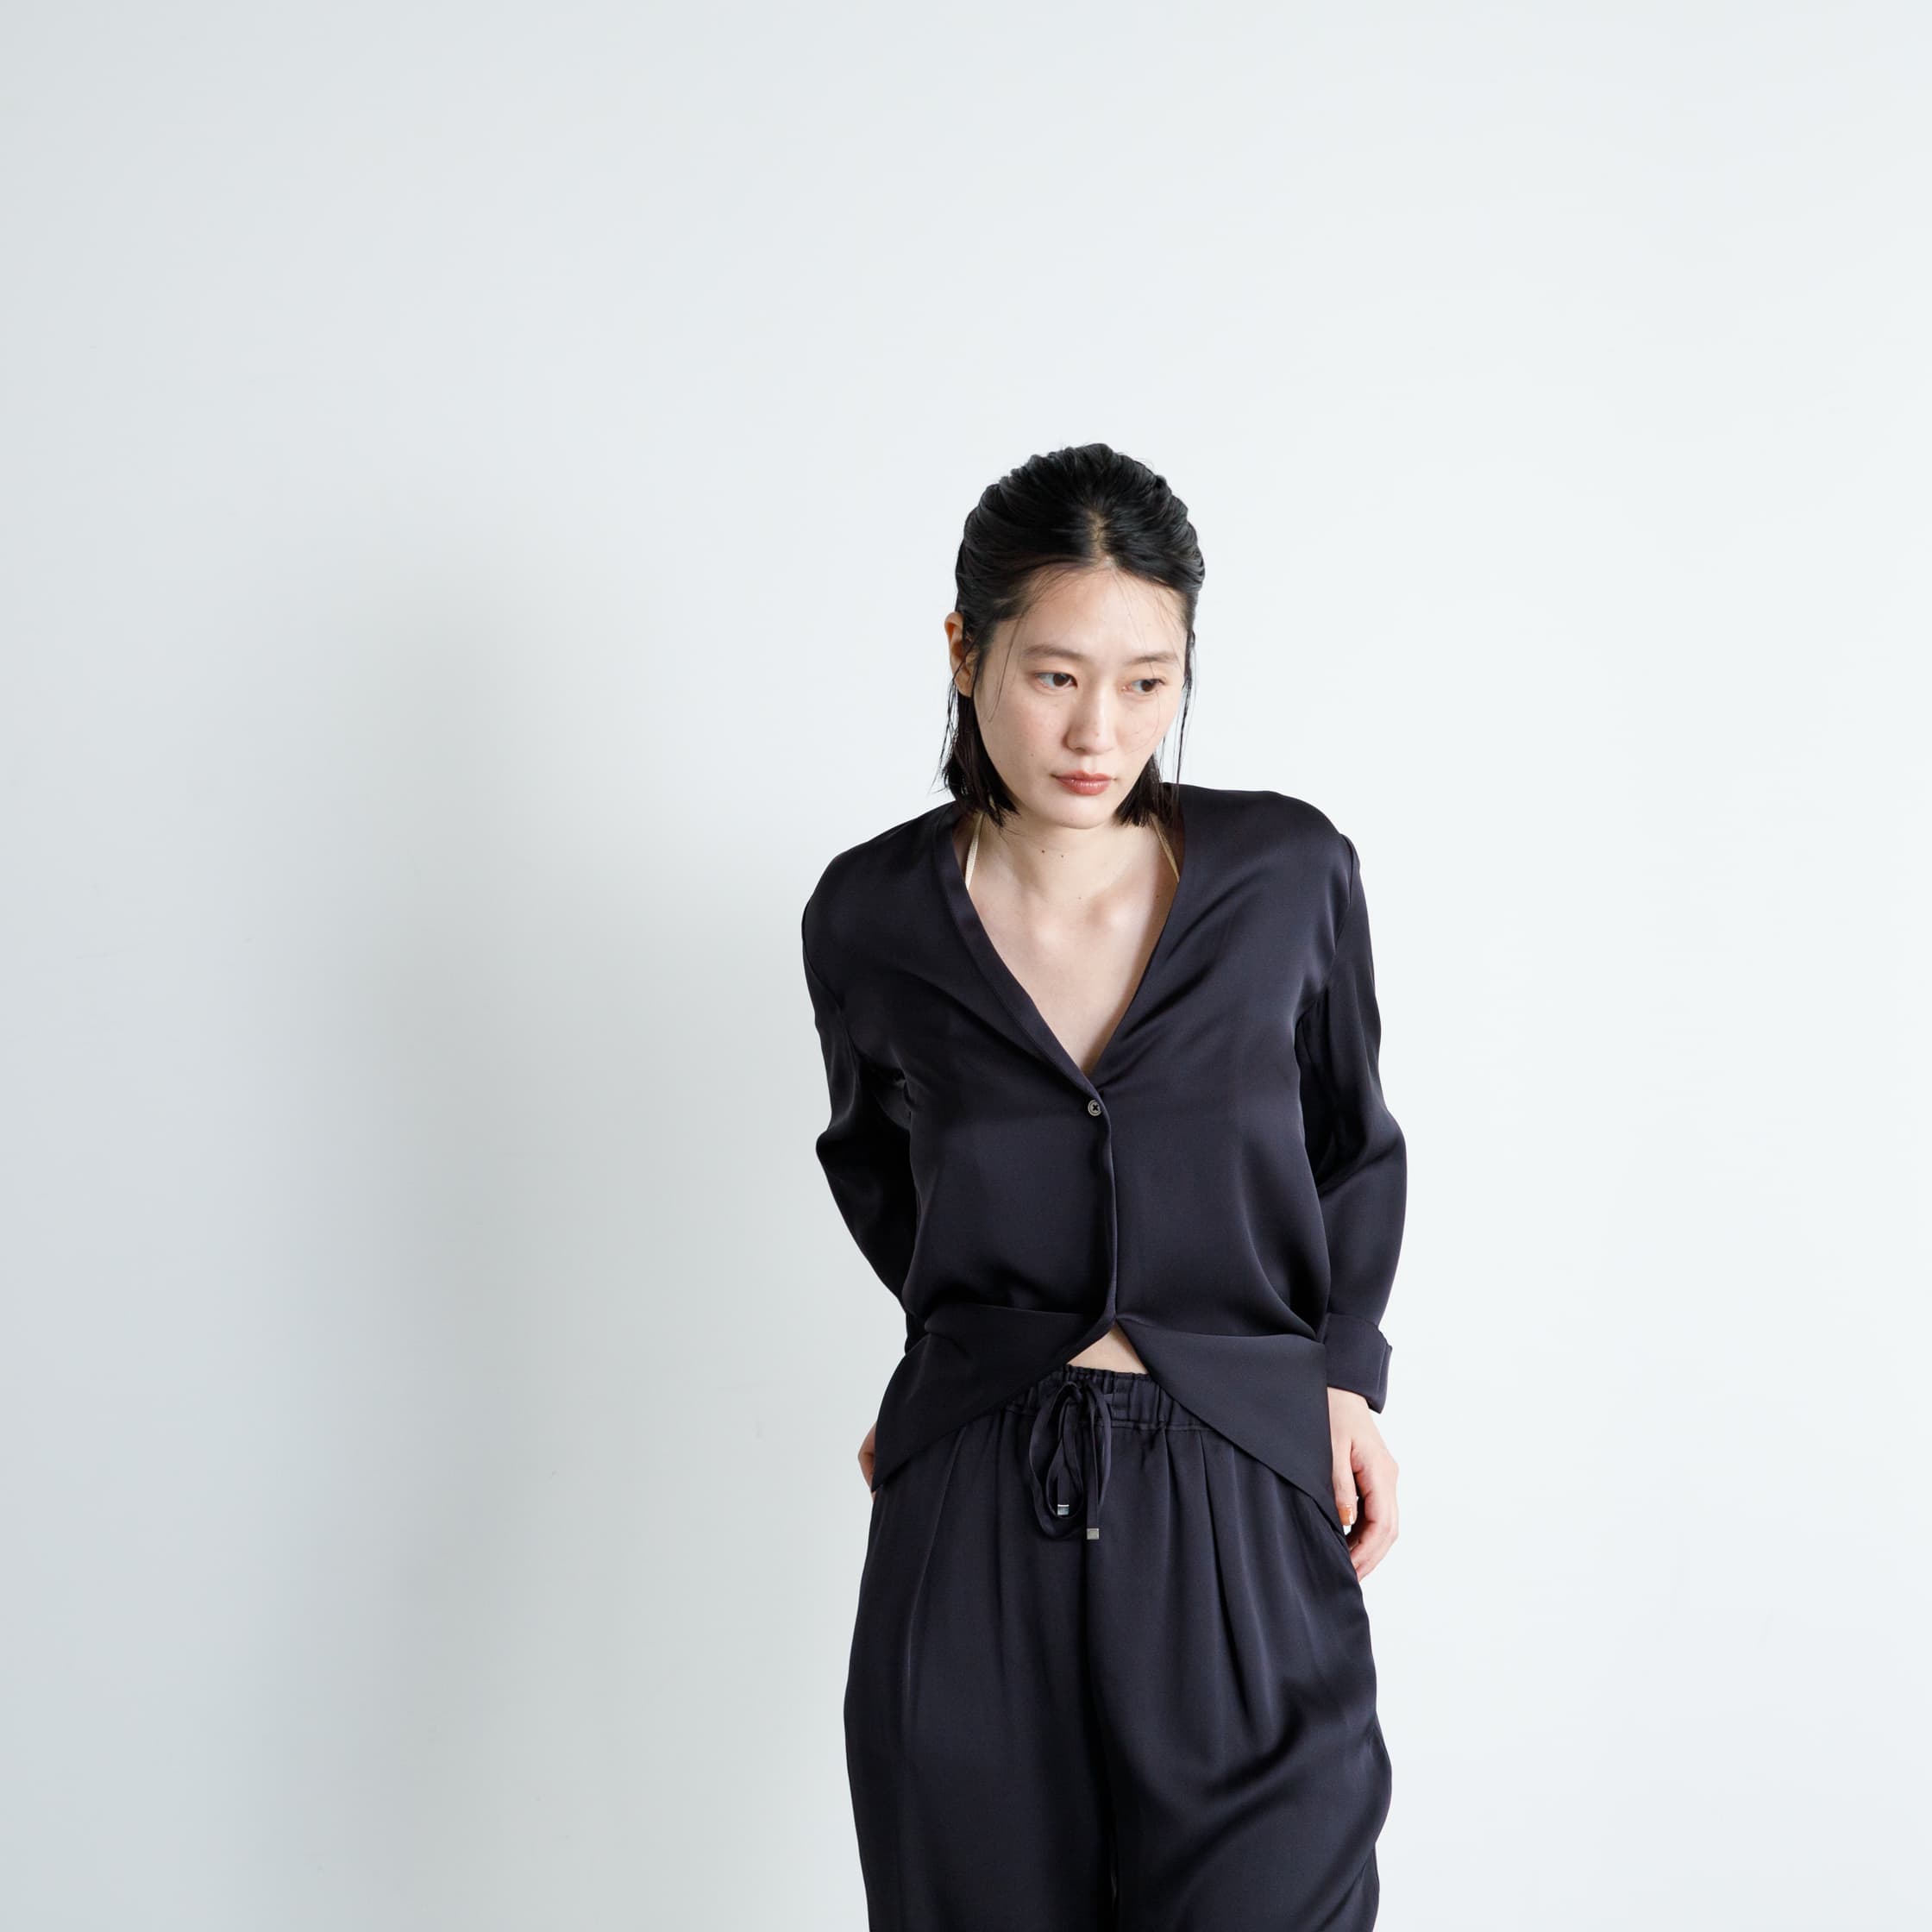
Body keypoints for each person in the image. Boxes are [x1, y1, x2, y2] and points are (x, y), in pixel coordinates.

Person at [800, 442, 1407, 1930]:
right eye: (1056, 676)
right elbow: (870, 1158)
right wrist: (965, 1356)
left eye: (1149, 682)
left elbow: (1353, 1139)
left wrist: (1343, 1375)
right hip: (974, 1502)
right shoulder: (871, 914)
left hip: (1241, 1474)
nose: (1101, 731)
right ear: (966, 652)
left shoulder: (1286, 874)